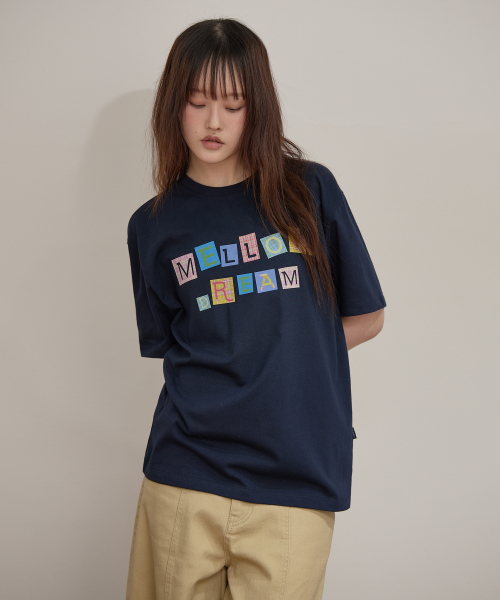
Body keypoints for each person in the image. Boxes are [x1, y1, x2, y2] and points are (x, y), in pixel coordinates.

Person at [125, 17, 386, 600]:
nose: (213, 121)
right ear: (173, 105)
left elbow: (368, 316)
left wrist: (291, 349)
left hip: (295, 478)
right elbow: (177, 344)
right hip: (183, 473)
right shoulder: (151, 226)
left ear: (257, 107)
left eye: (233, 104)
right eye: (197, 102)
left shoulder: (308, 192)